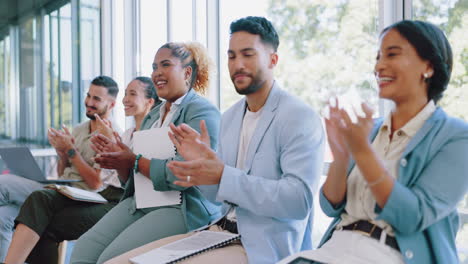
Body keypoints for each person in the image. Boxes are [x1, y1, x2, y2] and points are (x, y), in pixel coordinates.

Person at [106, 16, 325, 264]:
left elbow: (299, 201)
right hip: (217, 231)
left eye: (248, 54)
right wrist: (201, 170)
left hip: (262, 245)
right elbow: (216, 196)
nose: (238, 64)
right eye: (231, 56)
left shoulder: (299, 116)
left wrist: (222, 175)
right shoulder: (230, 117)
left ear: (273, 60)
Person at [280, 20, 468, 264]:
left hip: (389, 255)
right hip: (335, 250)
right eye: (378, 57)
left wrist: (362, 152)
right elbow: (330, 207)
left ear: (428, 66)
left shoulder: (456, 137)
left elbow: (411, 217)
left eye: (392, 54)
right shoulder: (371, 130)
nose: (379, 66)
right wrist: (341, 157)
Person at [70, 41, 222, 264]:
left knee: (112, 259)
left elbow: (187, 174)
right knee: (84, 249)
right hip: (141, 201)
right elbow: (132, 177)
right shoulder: (153, 116)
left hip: (181, 207)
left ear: (187, 72)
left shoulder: (201, 111)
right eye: (154, 67)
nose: (157, 73)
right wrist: (120, 161)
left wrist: (133, 160)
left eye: (165, 65)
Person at [3, 75, 124, 264]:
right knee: (4, 214)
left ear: (112, 104)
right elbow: (63, 173)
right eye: (88, 96)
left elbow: (95, 183)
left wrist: (70, 150)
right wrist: (62, 153)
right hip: (63, 189)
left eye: (96, 99)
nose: (89, 102)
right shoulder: (80, 129)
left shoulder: (112, 135)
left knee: (3, 184)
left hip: (82, 196)